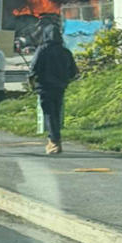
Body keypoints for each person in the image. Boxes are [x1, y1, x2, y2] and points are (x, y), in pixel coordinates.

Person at [29, 25, 78, 154]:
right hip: (60, 87)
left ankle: (54, 141)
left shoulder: (42, 50)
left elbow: (33, 68)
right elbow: (74, 72)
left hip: (44, 87)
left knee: (49, 114)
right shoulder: (65, 51)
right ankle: (56, 140)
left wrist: (32, 82)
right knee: (56, 113)